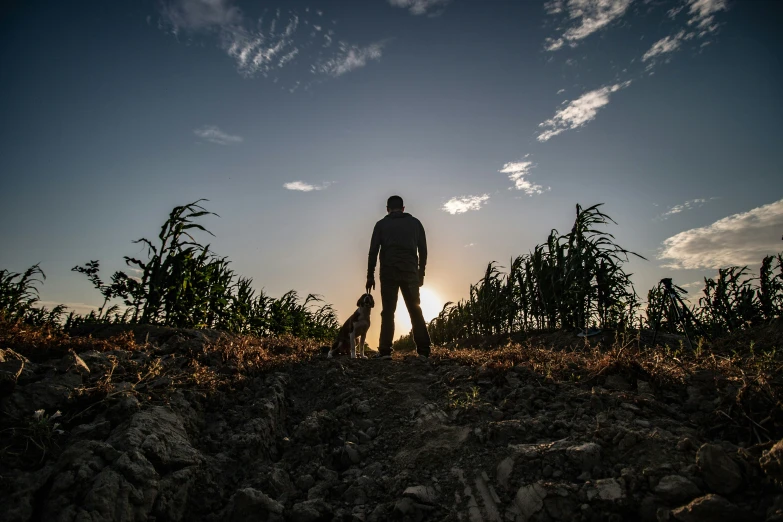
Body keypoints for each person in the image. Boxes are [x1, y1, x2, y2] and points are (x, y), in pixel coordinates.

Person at [366, 195, 431, 358]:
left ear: (387, 209)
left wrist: (370, 275)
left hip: (388, 273)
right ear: (403, 208)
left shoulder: (381, 225)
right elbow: (423, 250)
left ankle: (385, 351)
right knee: (415, 309)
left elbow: (373, 251)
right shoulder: (416, 223)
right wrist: (420, 273)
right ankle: (424, 351)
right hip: (410, 273)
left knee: (388, 311)